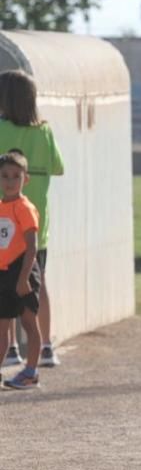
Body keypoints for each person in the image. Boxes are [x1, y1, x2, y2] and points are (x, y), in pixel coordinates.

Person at [0, 70, 65, 367]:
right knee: (39, 283)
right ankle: (47, 346)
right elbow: (58, 167)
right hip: (37, 224)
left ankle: (11, 347)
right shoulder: (44, 131)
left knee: (5, 285)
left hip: (6, 224)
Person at [0, 149, 43, 389]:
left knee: (28, 322)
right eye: (4, 176)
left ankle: (30, 371)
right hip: (4, 273)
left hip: (22, 270)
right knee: (2, 326)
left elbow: (32, 246)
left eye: (15, 176)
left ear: (25, 179)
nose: (9, 181)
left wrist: (24, 277)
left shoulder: (24, 207)